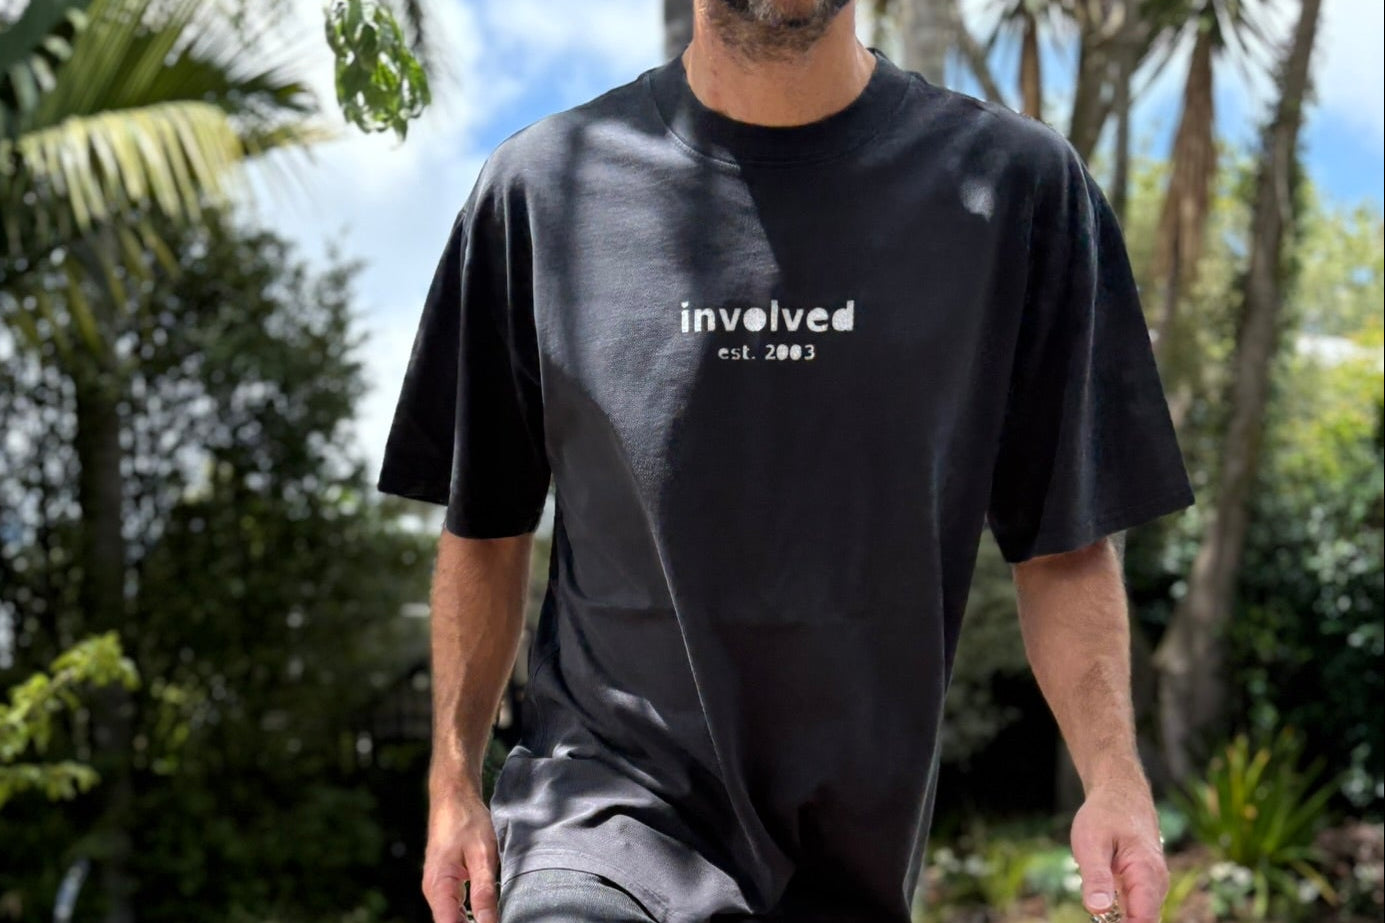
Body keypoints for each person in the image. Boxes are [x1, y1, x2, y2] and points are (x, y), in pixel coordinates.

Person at [375, 0, 1196, 920]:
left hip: (851, 856)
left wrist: (1114, 777)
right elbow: (483, 523)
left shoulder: (1016, 190)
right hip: (597, 813)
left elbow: (1062, 542)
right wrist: (453, 782)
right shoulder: (539, 191)